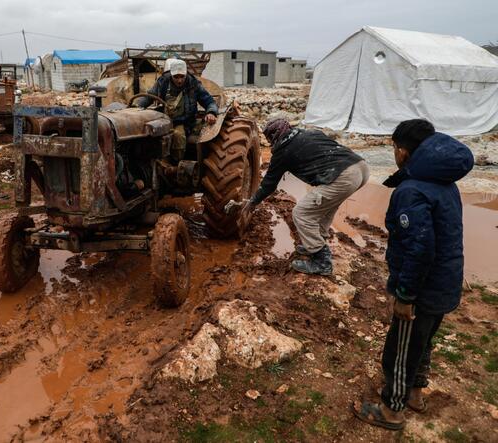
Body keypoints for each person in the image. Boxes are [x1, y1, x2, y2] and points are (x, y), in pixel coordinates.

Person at [352, 119, 474, 430]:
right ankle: (416, 395)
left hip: (422, 290)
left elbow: (420, 250)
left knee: (400, 350)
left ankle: (392, 411)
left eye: (394, 148)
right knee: (423, 343)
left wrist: (405, 296)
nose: (394, 153)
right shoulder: (443, 181)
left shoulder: (412, 191)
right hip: (444, 284)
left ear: (404, 152)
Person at [238, 118, 369, 275]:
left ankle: (322, 261)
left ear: (275, 135)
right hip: (360, 167)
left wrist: (253, 201)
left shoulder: (283, 150)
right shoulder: (309, 133)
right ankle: (314, 243)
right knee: (324, 207)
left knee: (302, 213)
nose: (269, 141)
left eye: (269, 138)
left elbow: (269, 184)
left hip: (343, 176)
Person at [136, 59, 218, 161]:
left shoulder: (194, 84)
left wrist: (211, 112)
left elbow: (209, 101)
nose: (179, 80)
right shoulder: (163, 82)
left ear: (186, 74)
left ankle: (176, 164)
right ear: (171, 75)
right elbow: (149, 97)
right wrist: (136, 107)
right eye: (176, 77)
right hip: (165, 120)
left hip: (186, 121)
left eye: (182, 76)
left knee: (178, 136)